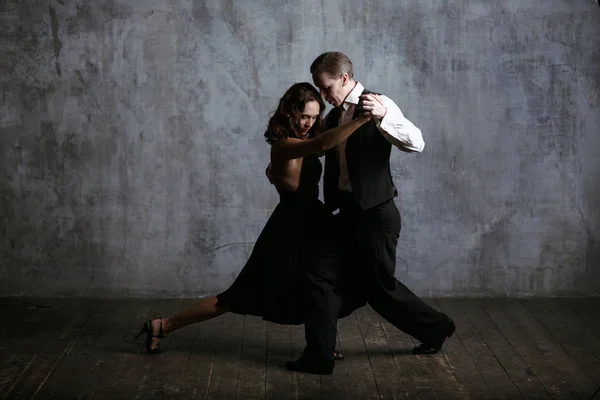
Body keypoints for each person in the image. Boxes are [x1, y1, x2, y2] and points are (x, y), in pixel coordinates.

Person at [135, 82, 370, 359]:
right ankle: (162, 326)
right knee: (236, 297)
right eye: (304, 116)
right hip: (289, 229)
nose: (309, 122)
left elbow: (320, 145)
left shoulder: (301, 142)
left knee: (322, 285)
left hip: (312, 222)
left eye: (314, 116)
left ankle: (321, 346)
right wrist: (364, 118)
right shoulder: (285, 145)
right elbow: (322, 143)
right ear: (290, 113)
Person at [285, 51, 456, 374]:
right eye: (319, 90)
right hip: (346, 213)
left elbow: (416, 143)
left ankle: (436, 326)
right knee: (318, 275)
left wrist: (382, 116)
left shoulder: (378, 102)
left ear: (345, 79)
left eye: (326, 88)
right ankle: (319, 356)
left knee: (379, 287)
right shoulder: (334, 117)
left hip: (377, 214)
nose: (323, 96)